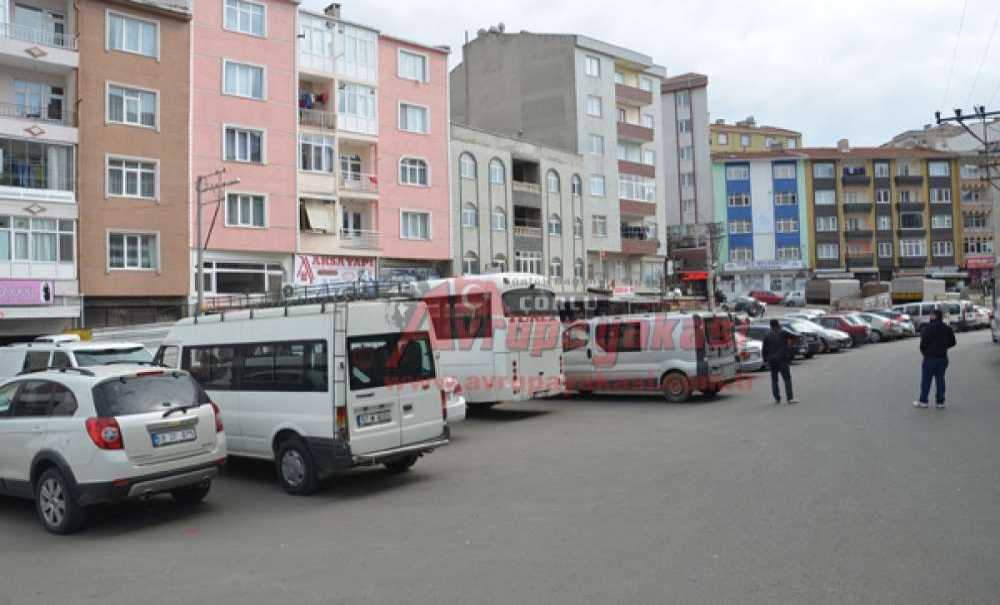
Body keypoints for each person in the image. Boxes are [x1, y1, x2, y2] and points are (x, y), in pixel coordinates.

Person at [914, 308, 956, 409]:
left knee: (926, 380)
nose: (930, 317)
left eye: (931, 315)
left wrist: (925, 353)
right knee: (940, 379)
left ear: (934, 316)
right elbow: (953, 342)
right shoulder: (947, 328)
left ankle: (923, 401)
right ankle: (940, 402)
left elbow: (923, 344)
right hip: (942, 358)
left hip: (930, 358)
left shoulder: (927, 328)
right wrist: (944, 347)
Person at [761, 319, 798, 404]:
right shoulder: (783, 333)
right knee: (787, 379)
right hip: (782, 359)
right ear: (778, 325)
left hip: (772, 361)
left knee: (774, 380)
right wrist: (790, 344)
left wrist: (765, 360)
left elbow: (764, 349)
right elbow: (795, 336)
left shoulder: (767, 335)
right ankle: (790, 398)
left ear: (771, 326)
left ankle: (777, 398)